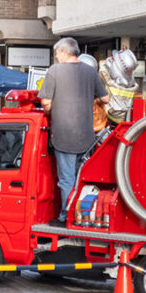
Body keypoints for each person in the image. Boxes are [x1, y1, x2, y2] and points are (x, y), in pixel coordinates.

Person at [37, 37, 110, 226]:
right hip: (87, 136)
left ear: (63, 52)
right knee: (82, 177)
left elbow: (45, 102)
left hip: (64, 135)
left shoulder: (54, 71)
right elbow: (106, 98)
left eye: (57, 54)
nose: (56, 57)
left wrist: (51, 109)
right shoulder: (90, 71)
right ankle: (82, 215)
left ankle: (66, 216)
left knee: (67, 179)